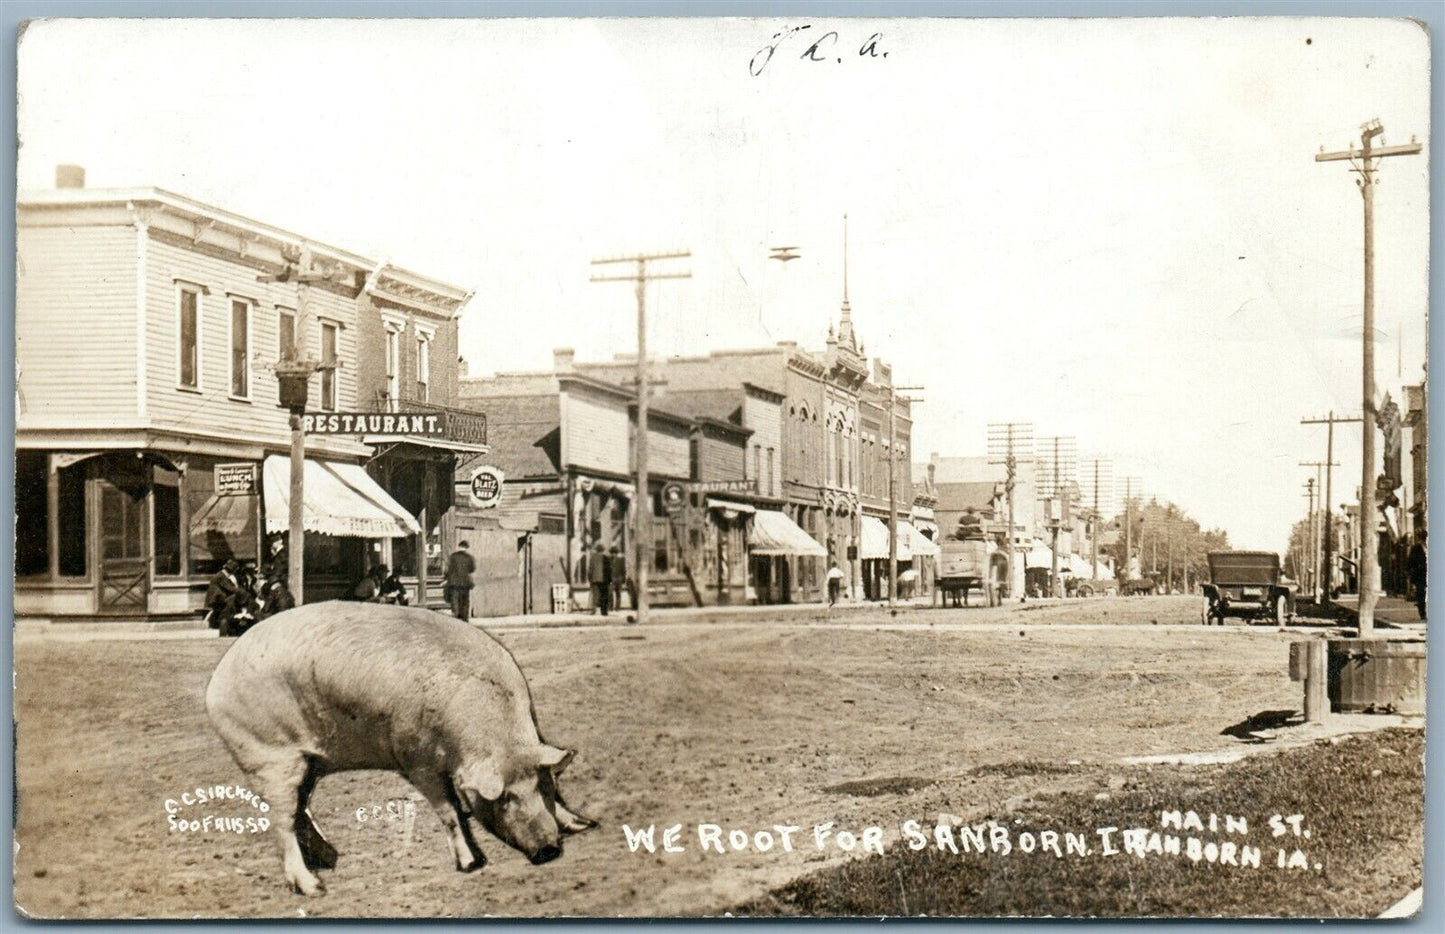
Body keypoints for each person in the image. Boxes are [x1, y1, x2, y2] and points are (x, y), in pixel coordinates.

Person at [444, 540, 476, 620]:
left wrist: (446, 578)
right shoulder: (470, 557)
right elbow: (472, 569)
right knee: (465, 601)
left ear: (459, 547)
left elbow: (449, 569)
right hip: (465, 583)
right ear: (466, 548)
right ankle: (465, 618)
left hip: (454, 583)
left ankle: (456, 616)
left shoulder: (453, 556)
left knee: (455, 600)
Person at [1407, 530, 1427, 620]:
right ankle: (1422, 614)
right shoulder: (1416, 549)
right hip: (1420, 575)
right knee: (1421, 594)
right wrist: (1408, 572)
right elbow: (1410, 561)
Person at [589, 544, 610, 616]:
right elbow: (608, 570)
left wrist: (590, 578)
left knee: (595, 595)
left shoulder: (592, 558)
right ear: (603, 550)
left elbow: (590, 569)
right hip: (604, 579)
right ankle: (604, 611)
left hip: (594, 579)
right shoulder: (606, 558)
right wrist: (609, 580)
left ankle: (593, 610)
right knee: (604, 595)